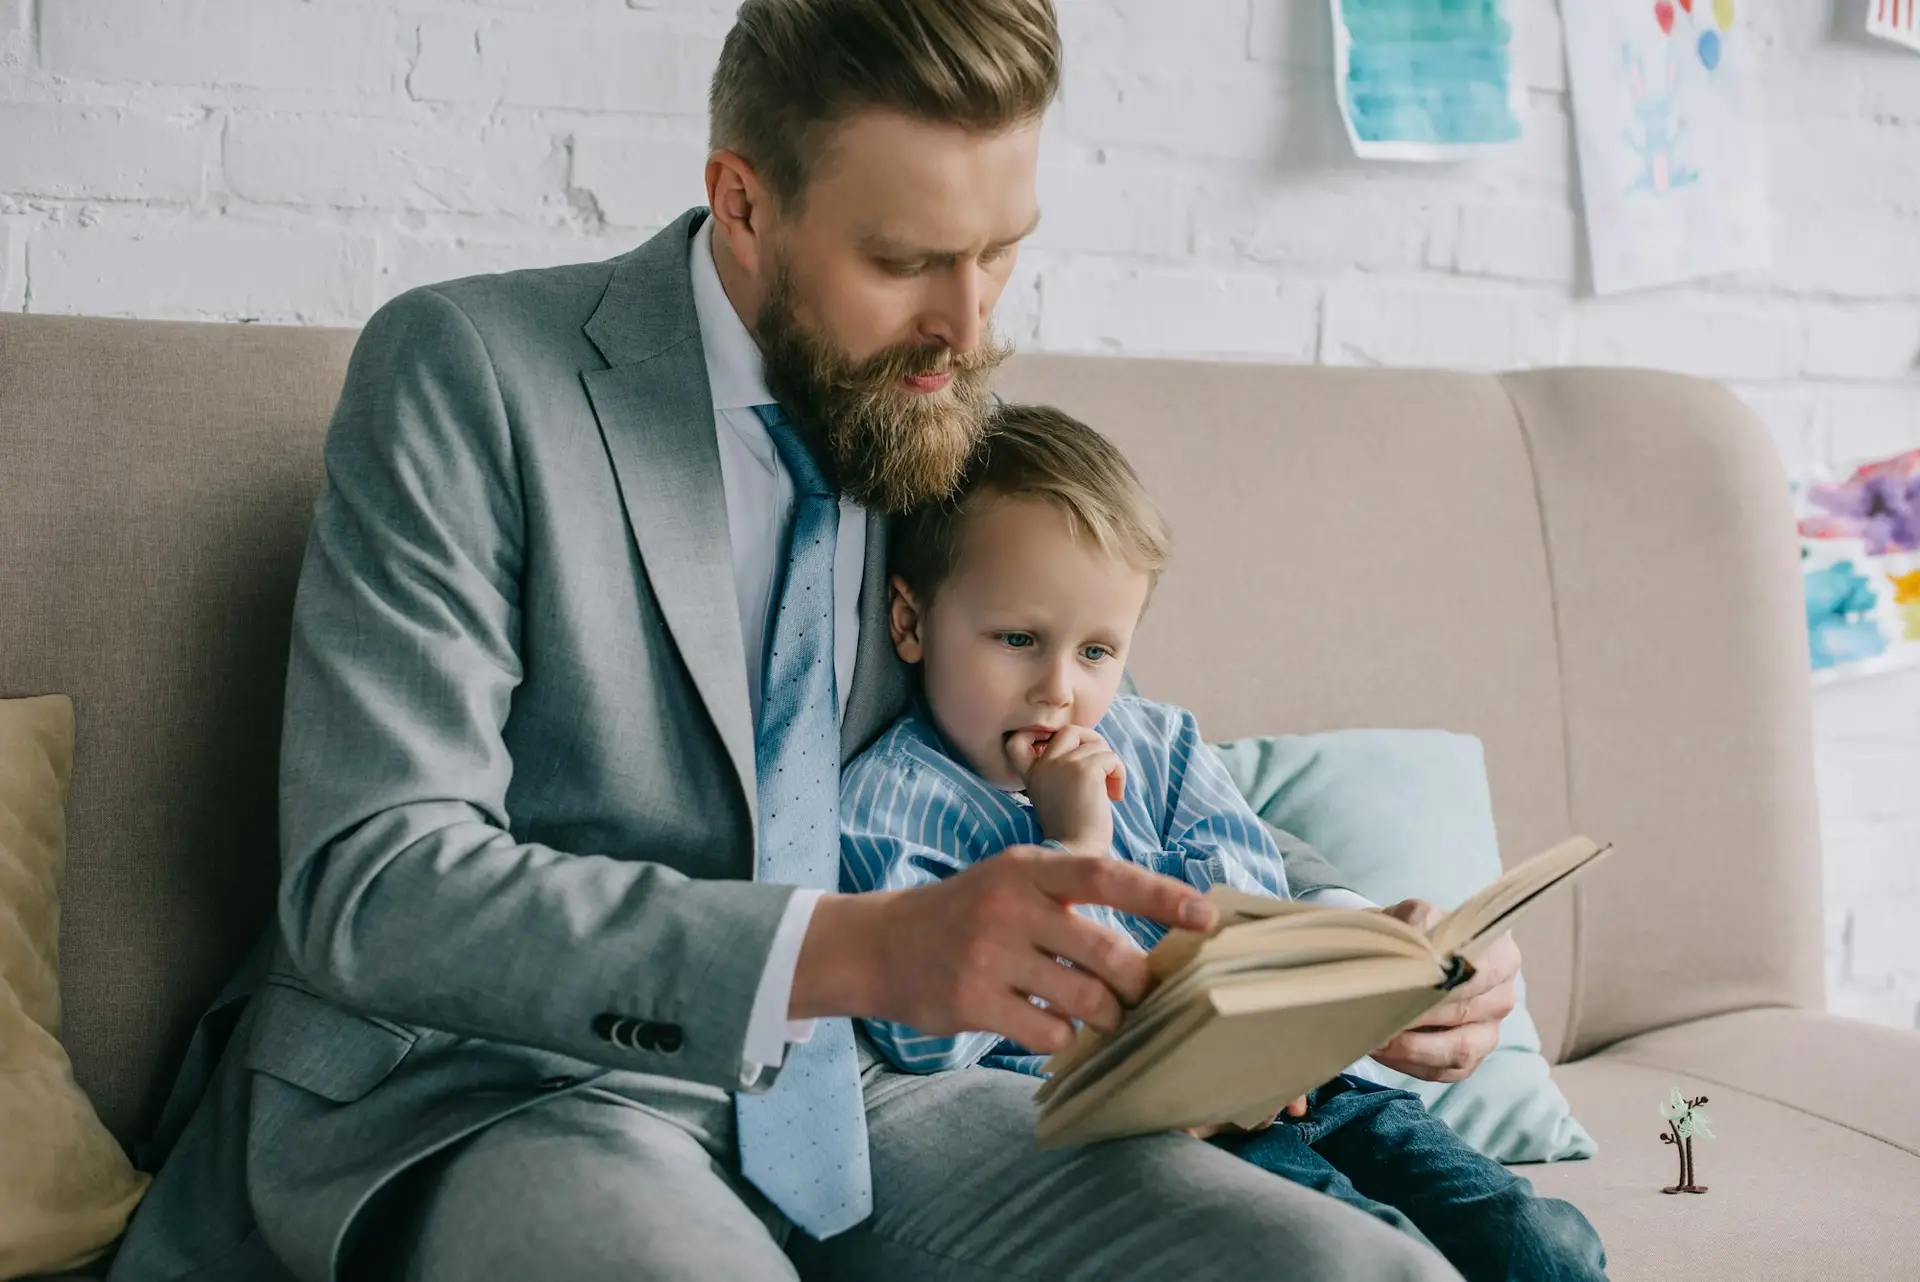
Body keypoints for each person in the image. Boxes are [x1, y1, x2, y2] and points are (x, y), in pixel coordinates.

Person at [106, 3, 1518, 1279]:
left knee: (1345, 1270)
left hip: (878, 1090)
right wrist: (856, 948)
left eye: (1003, 252)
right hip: (510, 1084)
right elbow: (377, 882)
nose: (969, 325)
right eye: (906, 260)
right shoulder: (470, 373)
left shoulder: (933, 395)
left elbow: (1095, 732)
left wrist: (1356, 948)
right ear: (741, 201)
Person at [840, 404, 1609, 1282]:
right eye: (1017, 640)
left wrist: (1326, 1000)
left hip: (1315, 1093)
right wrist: (1075, 843)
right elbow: (924, 1040)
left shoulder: (1158, 745)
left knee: (1541, 1244)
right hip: (1169, 1136)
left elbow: (1248, 899)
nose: (1058, 690)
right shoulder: (883, 808)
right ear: (911, 622)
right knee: (1387, 1253)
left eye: (1097, 651)